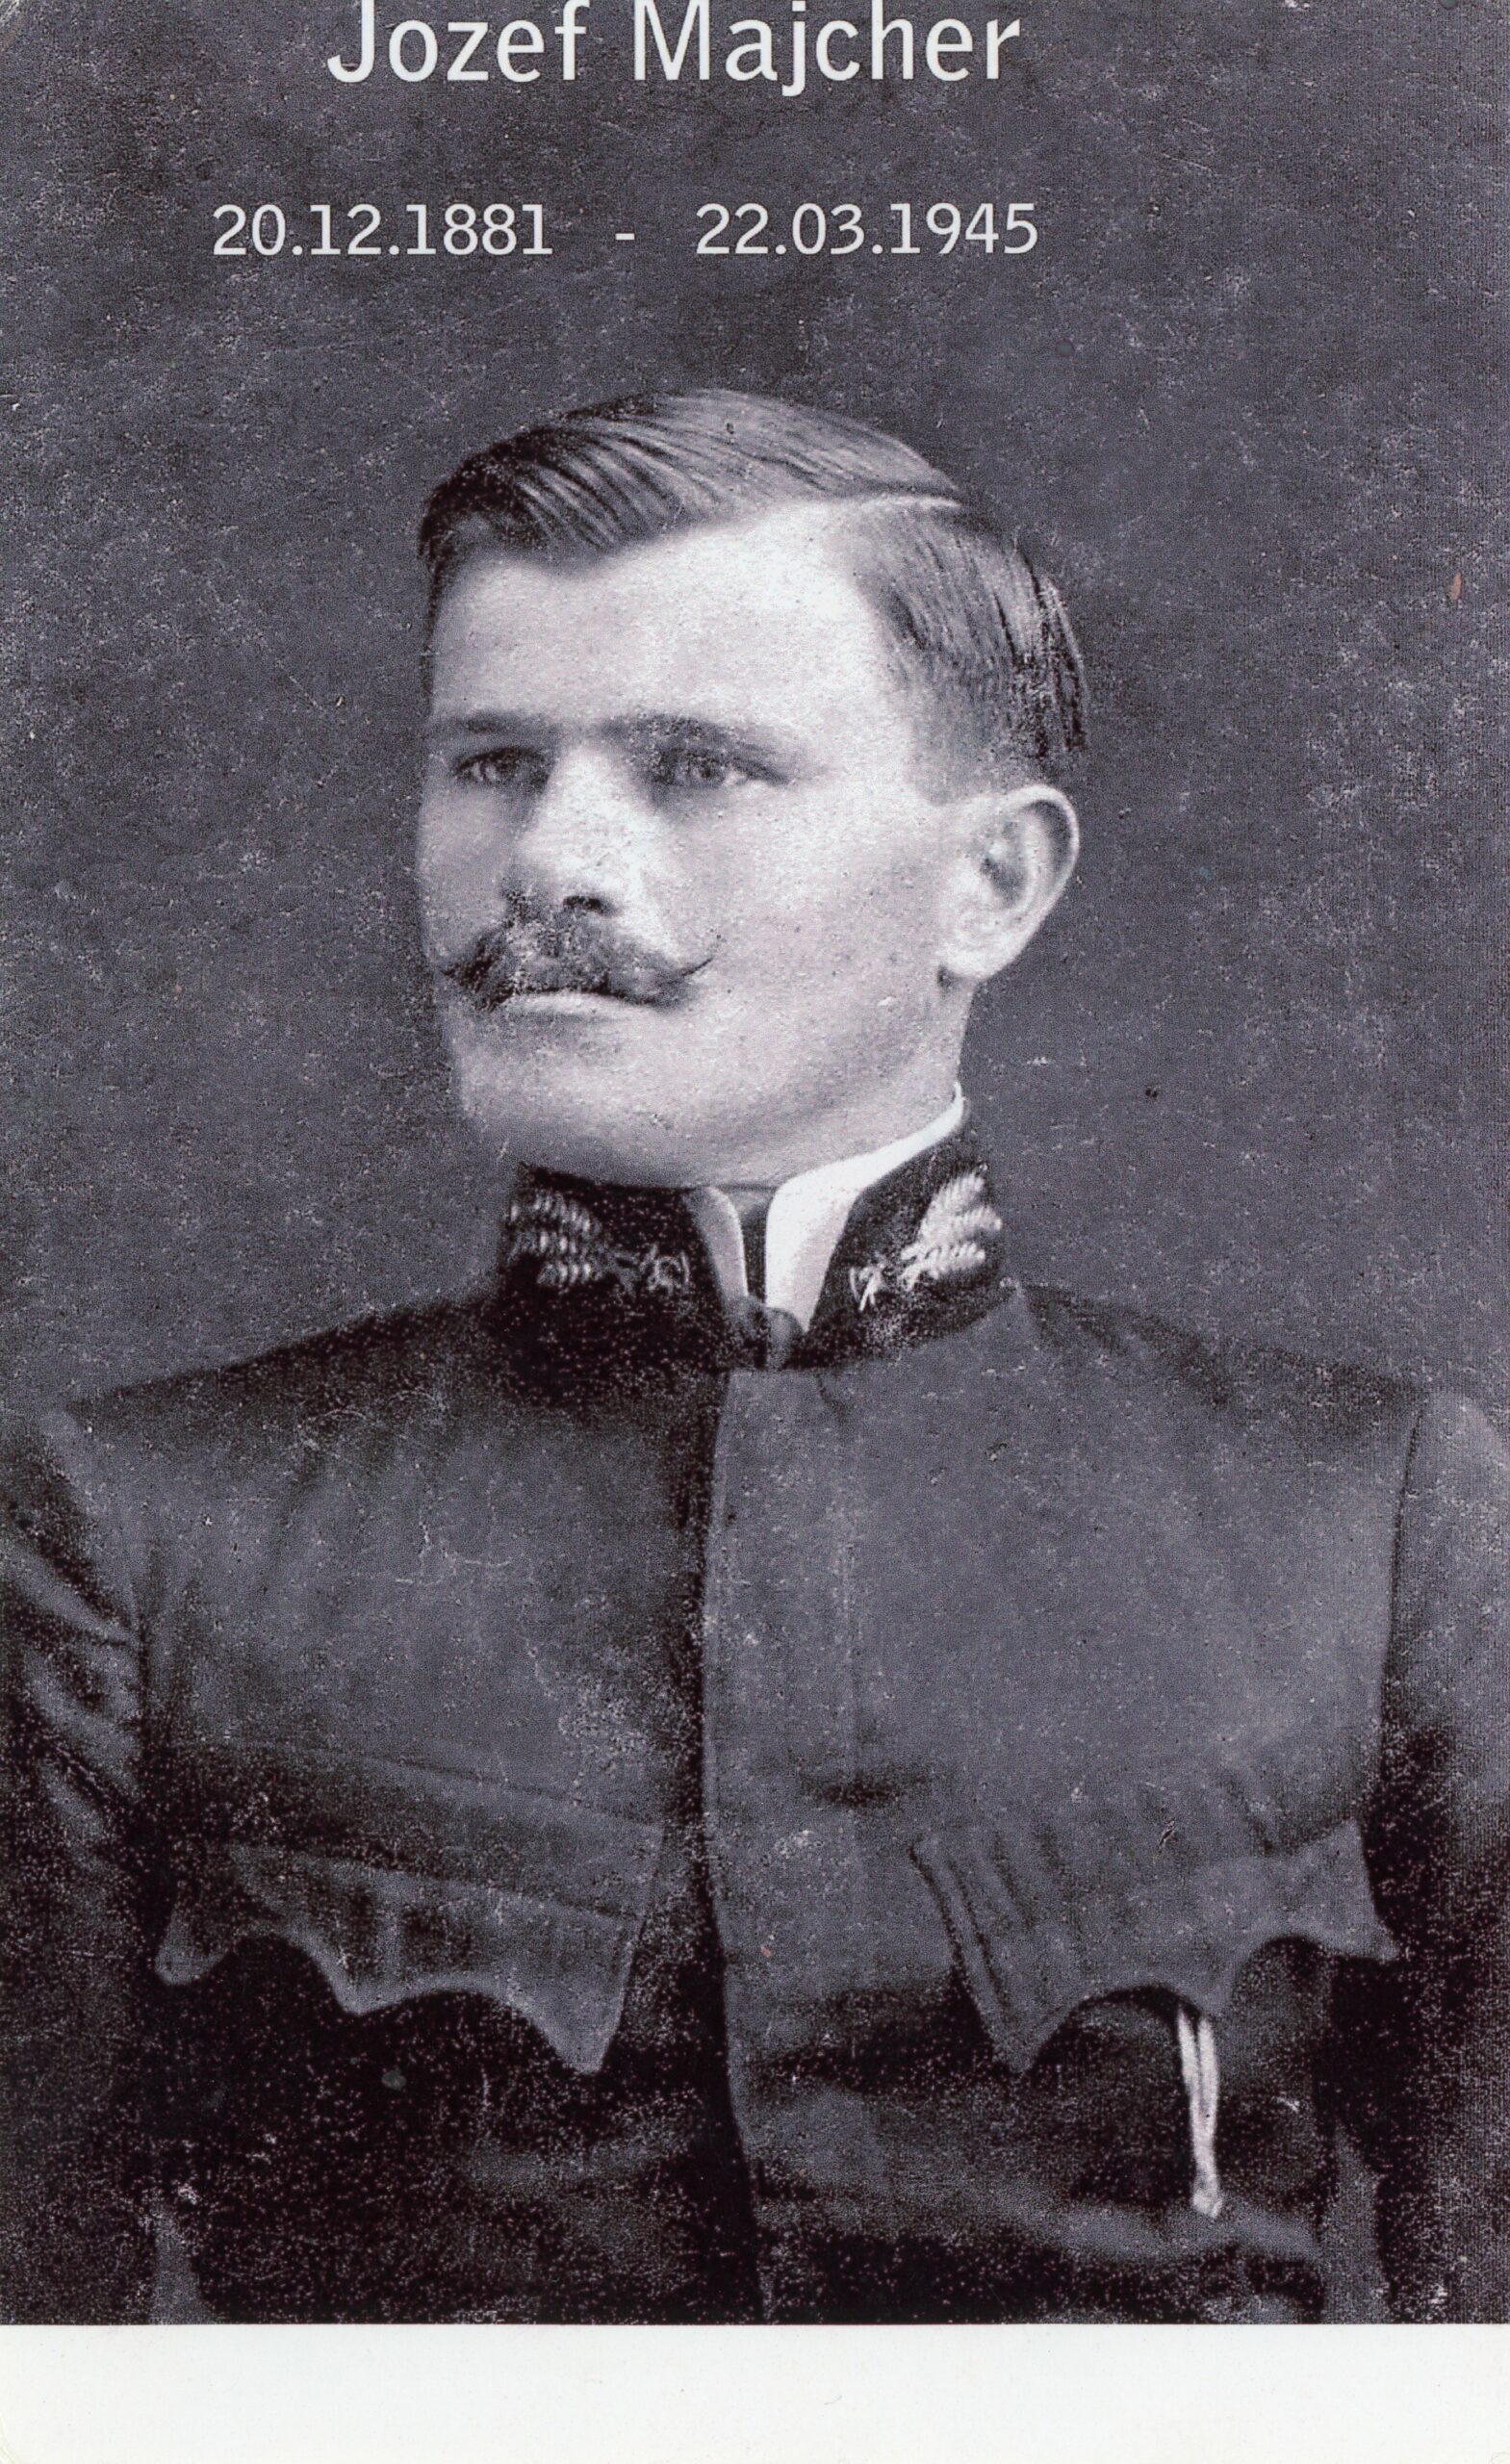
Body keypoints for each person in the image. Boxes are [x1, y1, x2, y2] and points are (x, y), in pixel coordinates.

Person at [2, 389, 1505, 2326]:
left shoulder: (1364, 1520)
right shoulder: (142, 1530)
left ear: (993, 883)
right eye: (491, 762)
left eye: (694, 767)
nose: (546, 858)